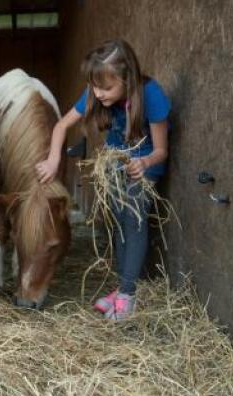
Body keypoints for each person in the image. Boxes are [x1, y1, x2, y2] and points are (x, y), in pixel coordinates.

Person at [35, 39, 171, 321]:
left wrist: (144, 162)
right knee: (118, 223)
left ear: (127, 78)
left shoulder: (151, 95)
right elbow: (62, 125)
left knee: (134, 219)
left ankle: (128, 295)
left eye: (106, 88)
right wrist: (53, 159)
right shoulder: (95, 93)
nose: (98, 93)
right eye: (95, 87)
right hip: (113, 163)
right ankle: (122, 287)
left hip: (143, 166)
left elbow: (161, 151)